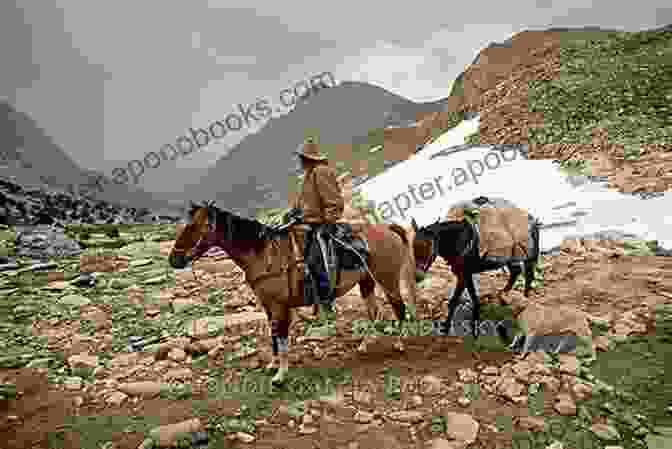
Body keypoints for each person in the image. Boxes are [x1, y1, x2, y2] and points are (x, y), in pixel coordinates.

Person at [289, 137, 344, 323]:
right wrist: (292, 213)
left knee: (315, 261)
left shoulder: (321, 172)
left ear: (308, 158)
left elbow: (333, 201)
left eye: (302, 158)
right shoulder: (309, 175)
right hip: (308, 225)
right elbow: (303, 203)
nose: (300, 161)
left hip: (321, 225)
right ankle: (315, 304)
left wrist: (328, 223)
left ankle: (327, 308)